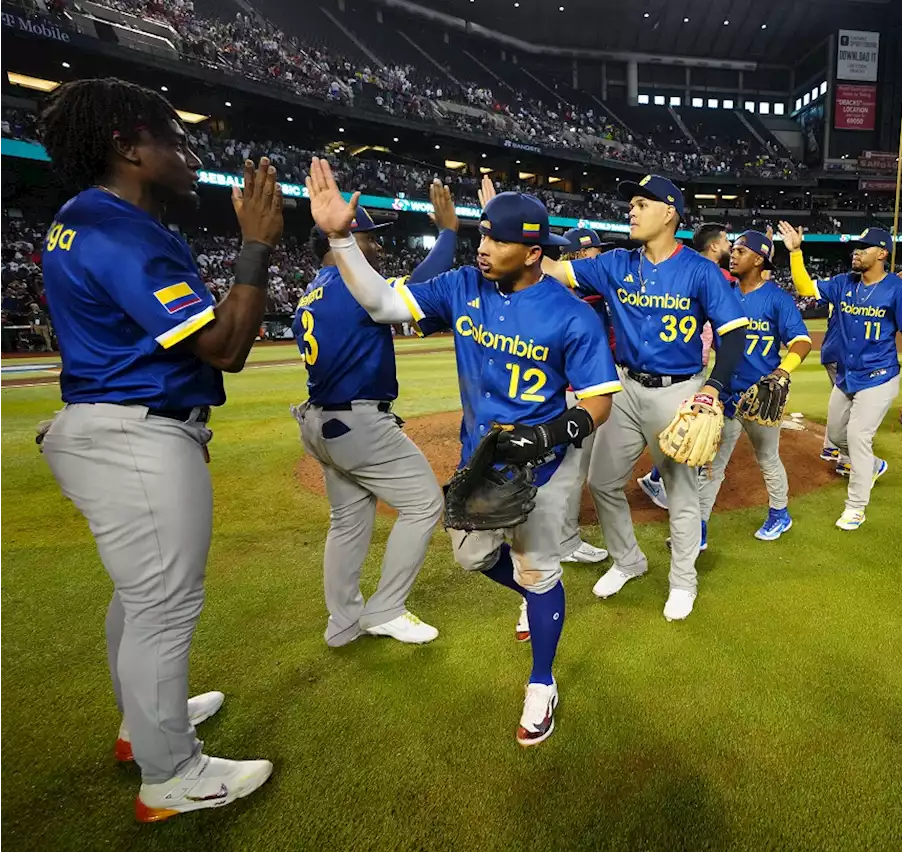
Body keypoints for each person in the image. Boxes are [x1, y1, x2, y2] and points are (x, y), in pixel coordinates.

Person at [308, 158, 620, 746]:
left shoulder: (570, 314)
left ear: (531, 252)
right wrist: (341, 239)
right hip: (480, 458)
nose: (484, 247)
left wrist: (551, 434)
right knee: (472, 557)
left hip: (546, 464)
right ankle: (531, 596)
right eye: (482, 234)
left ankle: (542, 684)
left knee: (539, 567)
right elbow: (380, 305)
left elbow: (599, 402)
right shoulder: (462, 286)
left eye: (498, 240)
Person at [36, 78, 280, 821]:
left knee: (138, 597)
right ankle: (170, 774)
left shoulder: (87, 219)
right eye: (171, 137)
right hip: (133, 431)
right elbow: (226, 347)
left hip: (114, 424)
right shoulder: (115, 229)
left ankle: (140, 728)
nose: (188, 149)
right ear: (127, 146)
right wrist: (255, 247)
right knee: (164, 606)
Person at [540, 175, 748, 621]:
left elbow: (735, 334)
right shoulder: (615, 262)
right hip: (625, 387)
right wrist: (519, 230)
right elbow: (554, 270)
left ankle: (683, 582)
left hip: (679, 392)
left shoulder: (699, 270)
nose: (631, 211)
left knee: (682, 494)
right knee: (602, 482)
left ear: (669, 212)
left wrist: (713, 388)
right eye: (631, 204)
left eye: (641, 203)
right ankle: (628, 560)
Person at [291, 184, 459, 649]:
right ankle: (386, 608)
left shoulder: (311, 291)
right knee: (424, 504)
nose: (379, 244)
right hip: (358, 424)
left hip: (320, 422)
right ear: (339, 238)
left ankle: (342, 624)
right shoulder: (350, 285)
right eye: (369, 236)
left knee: (346, 521)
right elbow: (421, 286)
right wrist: (447, 234)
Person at [784, 226, 902, 529]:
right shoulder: (842, 284)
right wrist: (796, 252)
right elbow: (805, 288)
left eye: (865, 247)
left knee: (858, 436)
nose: (857, 252)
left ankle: (856, 507)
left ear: (882, 254)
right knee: (837, 437)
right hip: (848, 377)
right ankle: (874, 466)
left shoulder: (898, 290)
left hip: (879, 376)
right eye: (856, 247)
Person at [697, 230, 812, 540]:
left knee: (767, 458)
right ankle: (699, 527)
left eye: (740, 251)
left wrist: (782, 371)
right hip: (724, 393)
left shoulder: (777, 298)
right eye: (732, 250)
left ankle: (779, 513)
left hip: (760, 395)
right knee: (711, 464)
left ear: (759, 259)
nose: (732, 255)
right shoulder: (724, 291)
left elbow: (801, 341)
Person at [636, 221, 731, 511]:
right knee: (684, 431)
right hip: (681, 365)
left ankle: (656, 478)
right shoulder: (710, 273)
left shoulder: (685, 268)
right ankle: (664, 481)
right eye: (727, 241)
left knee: (676, 428)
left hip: (681, 360)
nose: (729, 246)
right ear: (714, 245)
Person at [551, 226, 612, 571]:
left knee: (567, 468)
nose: (598, 257)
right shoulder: (575, 294)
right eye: (593, 253)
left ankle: (558, 537)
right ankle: (564, 542)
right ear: (575, 257)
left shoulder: (559, 290)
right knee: (572, 470)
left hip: (570, 391)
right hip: (577, 395)